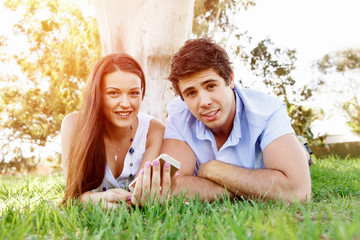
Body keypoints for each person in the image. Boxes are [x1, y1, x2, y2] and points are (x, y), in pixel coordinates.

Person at [160, 37, 312, 203]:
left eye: (211, 86)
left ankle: (302, 150)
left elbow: (298, 192)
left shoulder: (268, 112)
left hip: (272, 138)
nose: (204, 102)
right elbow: (168, 186)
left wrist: (213, 170)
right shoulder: (179, 113)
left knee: (300, 157)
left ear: (230, 79)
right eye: (191, 93)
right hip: (254, 178)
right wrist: (243, 190)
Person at [61, 53, 166, 208]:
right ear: (97, 95)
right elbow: (72, 196)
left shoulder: (154, 130)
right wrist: (96, 200)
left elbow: (140, 197)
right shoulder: (74, 125)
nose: (125, 103)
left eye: (134, 93)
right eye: (113, 93)